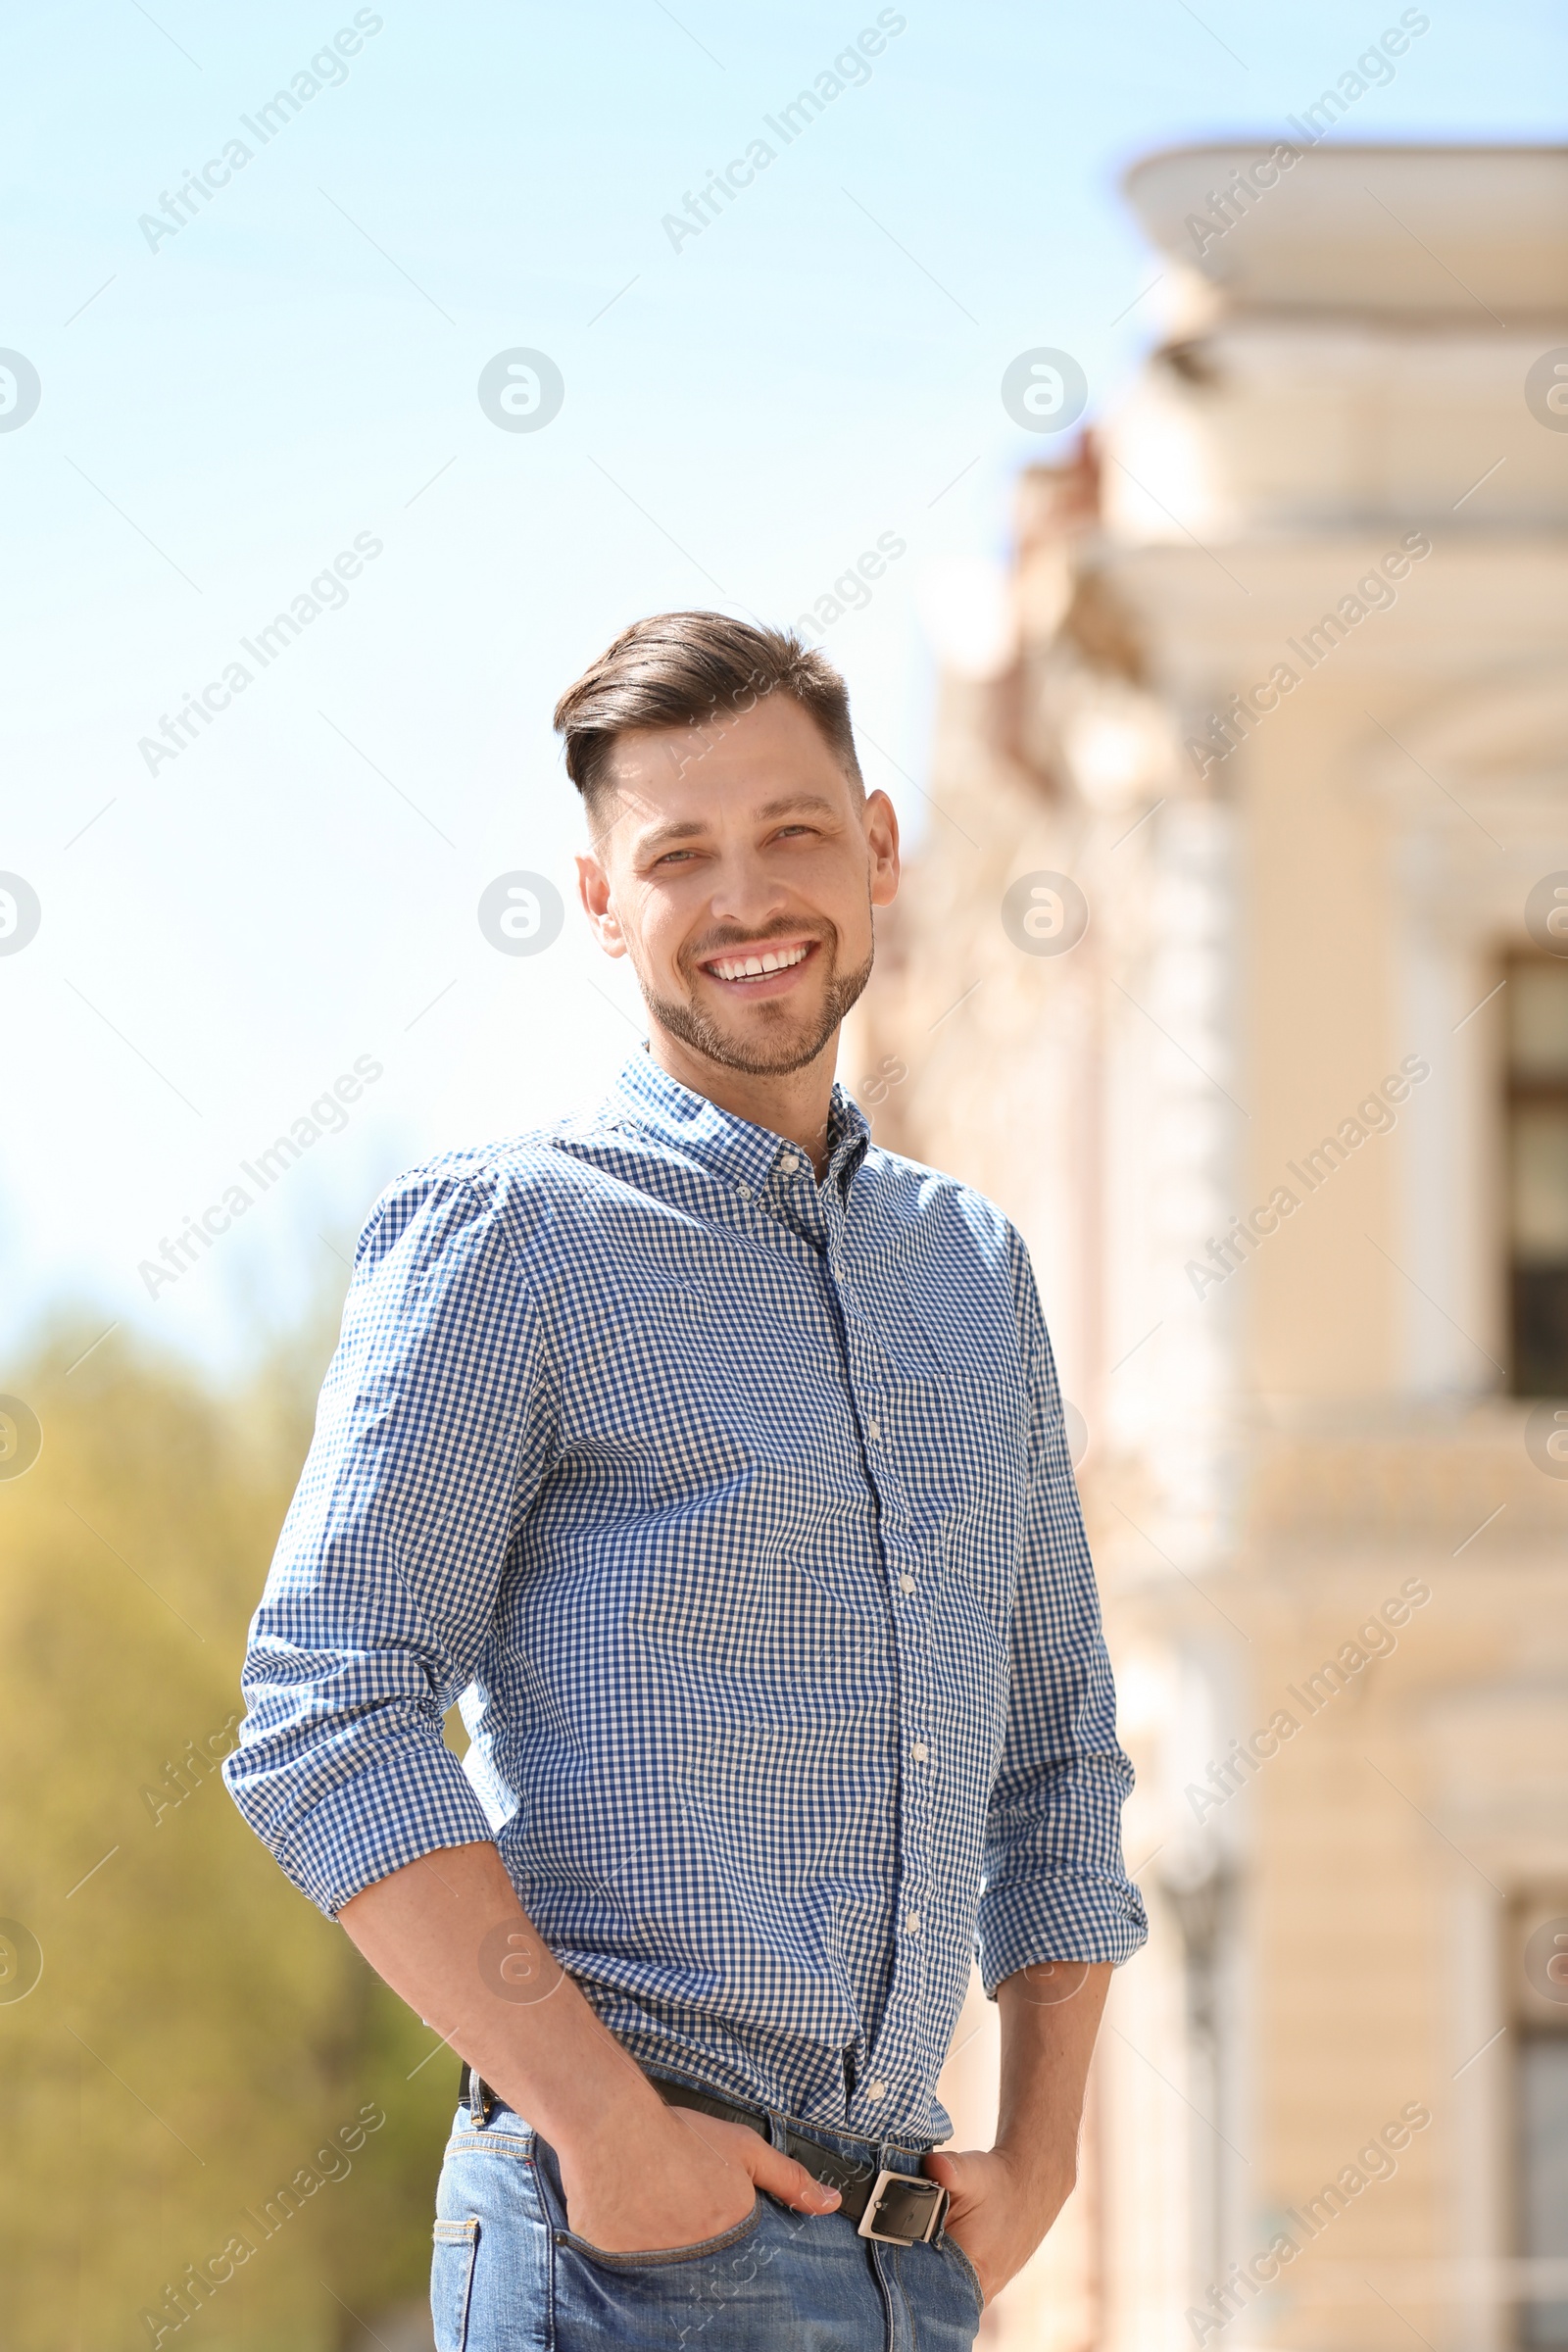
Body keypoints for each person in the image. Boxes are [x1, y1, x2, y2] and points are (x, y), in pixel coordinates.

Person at [224, 612, 1147, 2351]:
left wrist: (1045, 2150)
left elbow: (1055, 1746)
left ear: (878, 848)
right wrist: (604, 2129)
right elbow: (323, 1712)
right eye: (679, 856)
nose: (750, 900)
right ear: (601, 905)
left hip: (912, 2260)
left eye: (794, 833)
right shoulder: (512, 1240)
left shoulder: (973, 1269)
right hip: (619, 2249)